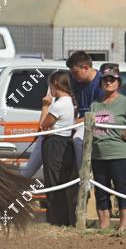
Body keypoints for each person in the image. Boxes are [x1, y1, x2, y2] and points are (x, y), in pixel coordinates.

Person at [90, 63, 126, 232]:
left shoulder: (125, 101)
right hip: (98, 154)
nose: (108, 82)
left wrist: (125, 134)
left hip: (120, 154)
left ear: (118, 82)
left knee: (121, 189)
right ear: (101, 82)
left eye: (112, 79)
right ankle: (104, 226)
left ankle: (122, 227)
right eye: (105, 80)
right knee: (101, 192)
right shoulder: (95, 104)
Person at [38, 71, 78, 226]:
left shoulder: (59, 104)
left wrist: (45, 106)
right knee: (60, 181)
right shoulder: (70, 102)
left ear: (54, 84)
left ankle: (56, 219)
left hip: (55, 144)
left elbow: (43, 126)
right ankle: (61, 219)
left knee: (53, 182)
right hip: (64, 142)